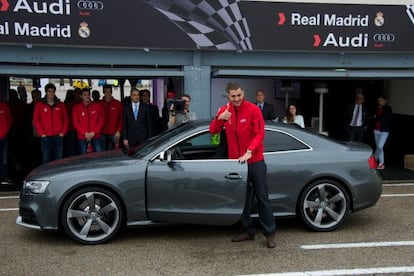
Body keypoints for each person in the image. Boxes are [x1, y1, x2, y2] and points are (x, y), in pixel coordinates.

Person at [209, 82, 276, 249]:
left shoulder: (253, 110)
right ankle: (248, 231)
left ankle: (270, 233)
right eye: (233, 96)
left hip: (255, 160)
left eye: (239, 95)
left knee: (262, 197)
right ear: (228, 96)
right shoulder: (224, 111)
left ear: (243, 93)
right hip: (236, 163)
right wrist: (220, 119)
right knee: (242, 198)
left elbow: (260, 133)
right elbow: (213, 131)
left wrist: (249, 151)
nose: (237, 99)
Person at [32, 83, 69, 164]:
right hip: (46, 137)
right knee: (46, 159)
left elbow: (66, 119)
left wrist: (63, 132)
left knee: (58, 159)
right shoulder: (39, 105)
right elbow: (36, 119)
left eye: (53, 91)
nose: (52, 93)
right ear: (46, 92)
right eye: (49, 91)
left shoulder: (60, 105)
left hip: (58, 136)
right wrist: (42, 133)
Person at [72, 88, 105, 154]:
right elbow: (75, 123)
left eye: (88, 94)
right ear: (81, 96)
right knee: (83, 157)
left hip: (96, 136)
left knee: (99, 155)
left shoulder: (98, 106)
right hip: (82, 136)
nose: (87, 96)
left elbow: (101, 121)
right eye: (84, 95)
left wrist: (94, 132)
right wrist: (85, 133)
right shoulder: (76, 108)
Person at [100, 85, 123, 150]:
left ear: (111, 92)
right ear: (103, 92)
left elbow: (121, 119)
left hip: (114, 133)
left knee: (115, 153)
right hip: (102, 133)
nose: (108, 93)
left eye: (109, 91)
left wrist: (118, 130)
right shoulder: (99, 104)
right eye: (106, 91)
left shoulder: (118, 104)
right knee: (102, 153)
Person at [373, 95, 392, 170]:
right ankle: (381, 164)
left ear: (385, 100)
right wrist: (378, 118)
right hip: (376, 130)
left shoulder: (388, 108)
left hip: (384, 131)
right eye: (378, 101)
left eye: (381, 100)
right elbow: (374, 118)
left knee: (380, 146)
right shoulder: (376, 108)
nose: (379, 102)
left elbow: (385, 118)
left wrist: (377, 117)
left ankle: (374, 160)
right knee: (379, 147)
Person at [0, 99, 13, 185]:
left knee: (3, 159)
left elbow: (9, 120)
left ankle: (3, 177)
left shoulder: (3, 105)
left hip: (3, 137)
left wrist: (4, 132)